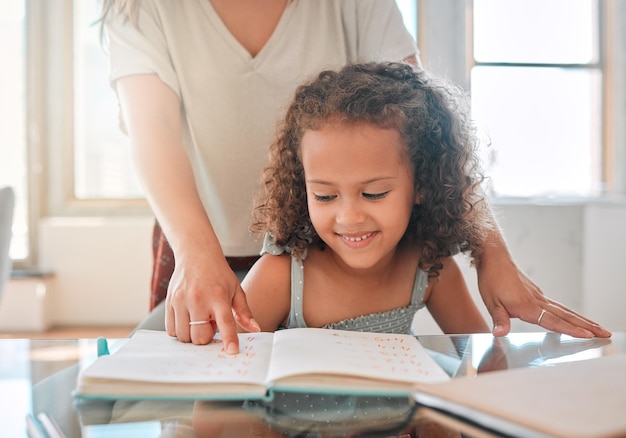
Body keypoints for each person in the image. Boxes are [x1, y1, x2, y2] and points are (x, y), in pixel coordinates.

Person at [100, 0, 611, 352]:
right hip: (201, 250)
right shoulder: (141, 8)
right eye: (327, 194)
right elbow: (153, 132)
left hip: (331, 253)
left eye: (373, 192)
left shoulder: (421, 269)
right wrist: (197, 254)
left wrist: (491, 252)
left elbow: (430, 129)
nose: (350, 209)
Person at [241, 61, 491, 335]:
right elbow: (224, 364)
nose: (349, 217)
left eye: (374, 194)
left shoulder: (429, 268)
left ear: (422, 185)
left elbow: (479, 359)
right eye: (324, 196)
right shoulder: (280, 276)